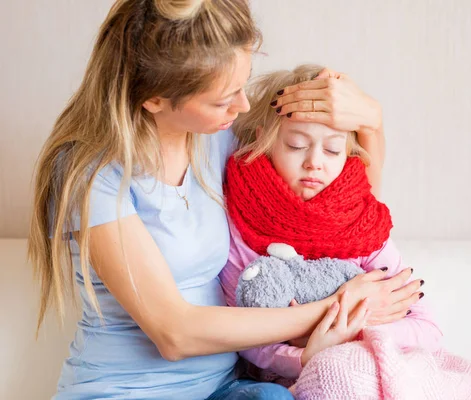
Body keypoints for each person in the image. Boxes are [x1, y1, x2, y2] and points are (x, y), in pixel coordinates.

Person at [27, 1, 421, 399]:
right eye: (222, 99)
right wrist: (340, 309)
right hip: (123, 390)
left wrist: (371, 120)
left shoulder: (220, 139)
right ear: (155, 98)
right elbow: (174, 333)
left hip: (225, 386)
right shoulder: (89, 173)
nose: (244, 106)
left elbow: (339, 209)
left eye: (242, 84)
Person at [220, 64, 441, 382]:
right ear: (264, 140)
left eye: (333, 149)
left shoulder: (361, 225)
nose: (314, 162)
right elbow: (249, 342)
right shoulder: (239, 222)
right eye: (296, 145)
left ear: (349, 153)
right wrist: (305, 355)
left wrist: (347, 335)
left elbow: (428, 329)